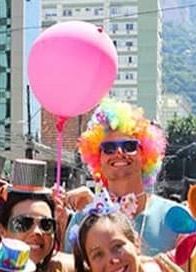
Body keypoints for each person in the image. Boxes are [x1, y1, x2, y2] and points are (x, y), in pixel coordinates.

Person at [69, 98, 177, 256]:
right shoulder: (82, 221)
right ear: (98, 158)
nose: (119, 152)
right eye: (109, 148)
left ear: (145, 155)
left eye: (129, 146)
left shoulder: (173, 216)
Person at [0, 159, 72, 272]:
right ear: (2, 231)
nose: (37, 232)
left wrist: (93, 209)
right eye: (23, 223)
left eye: (46, 224)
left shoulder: (61, 271)